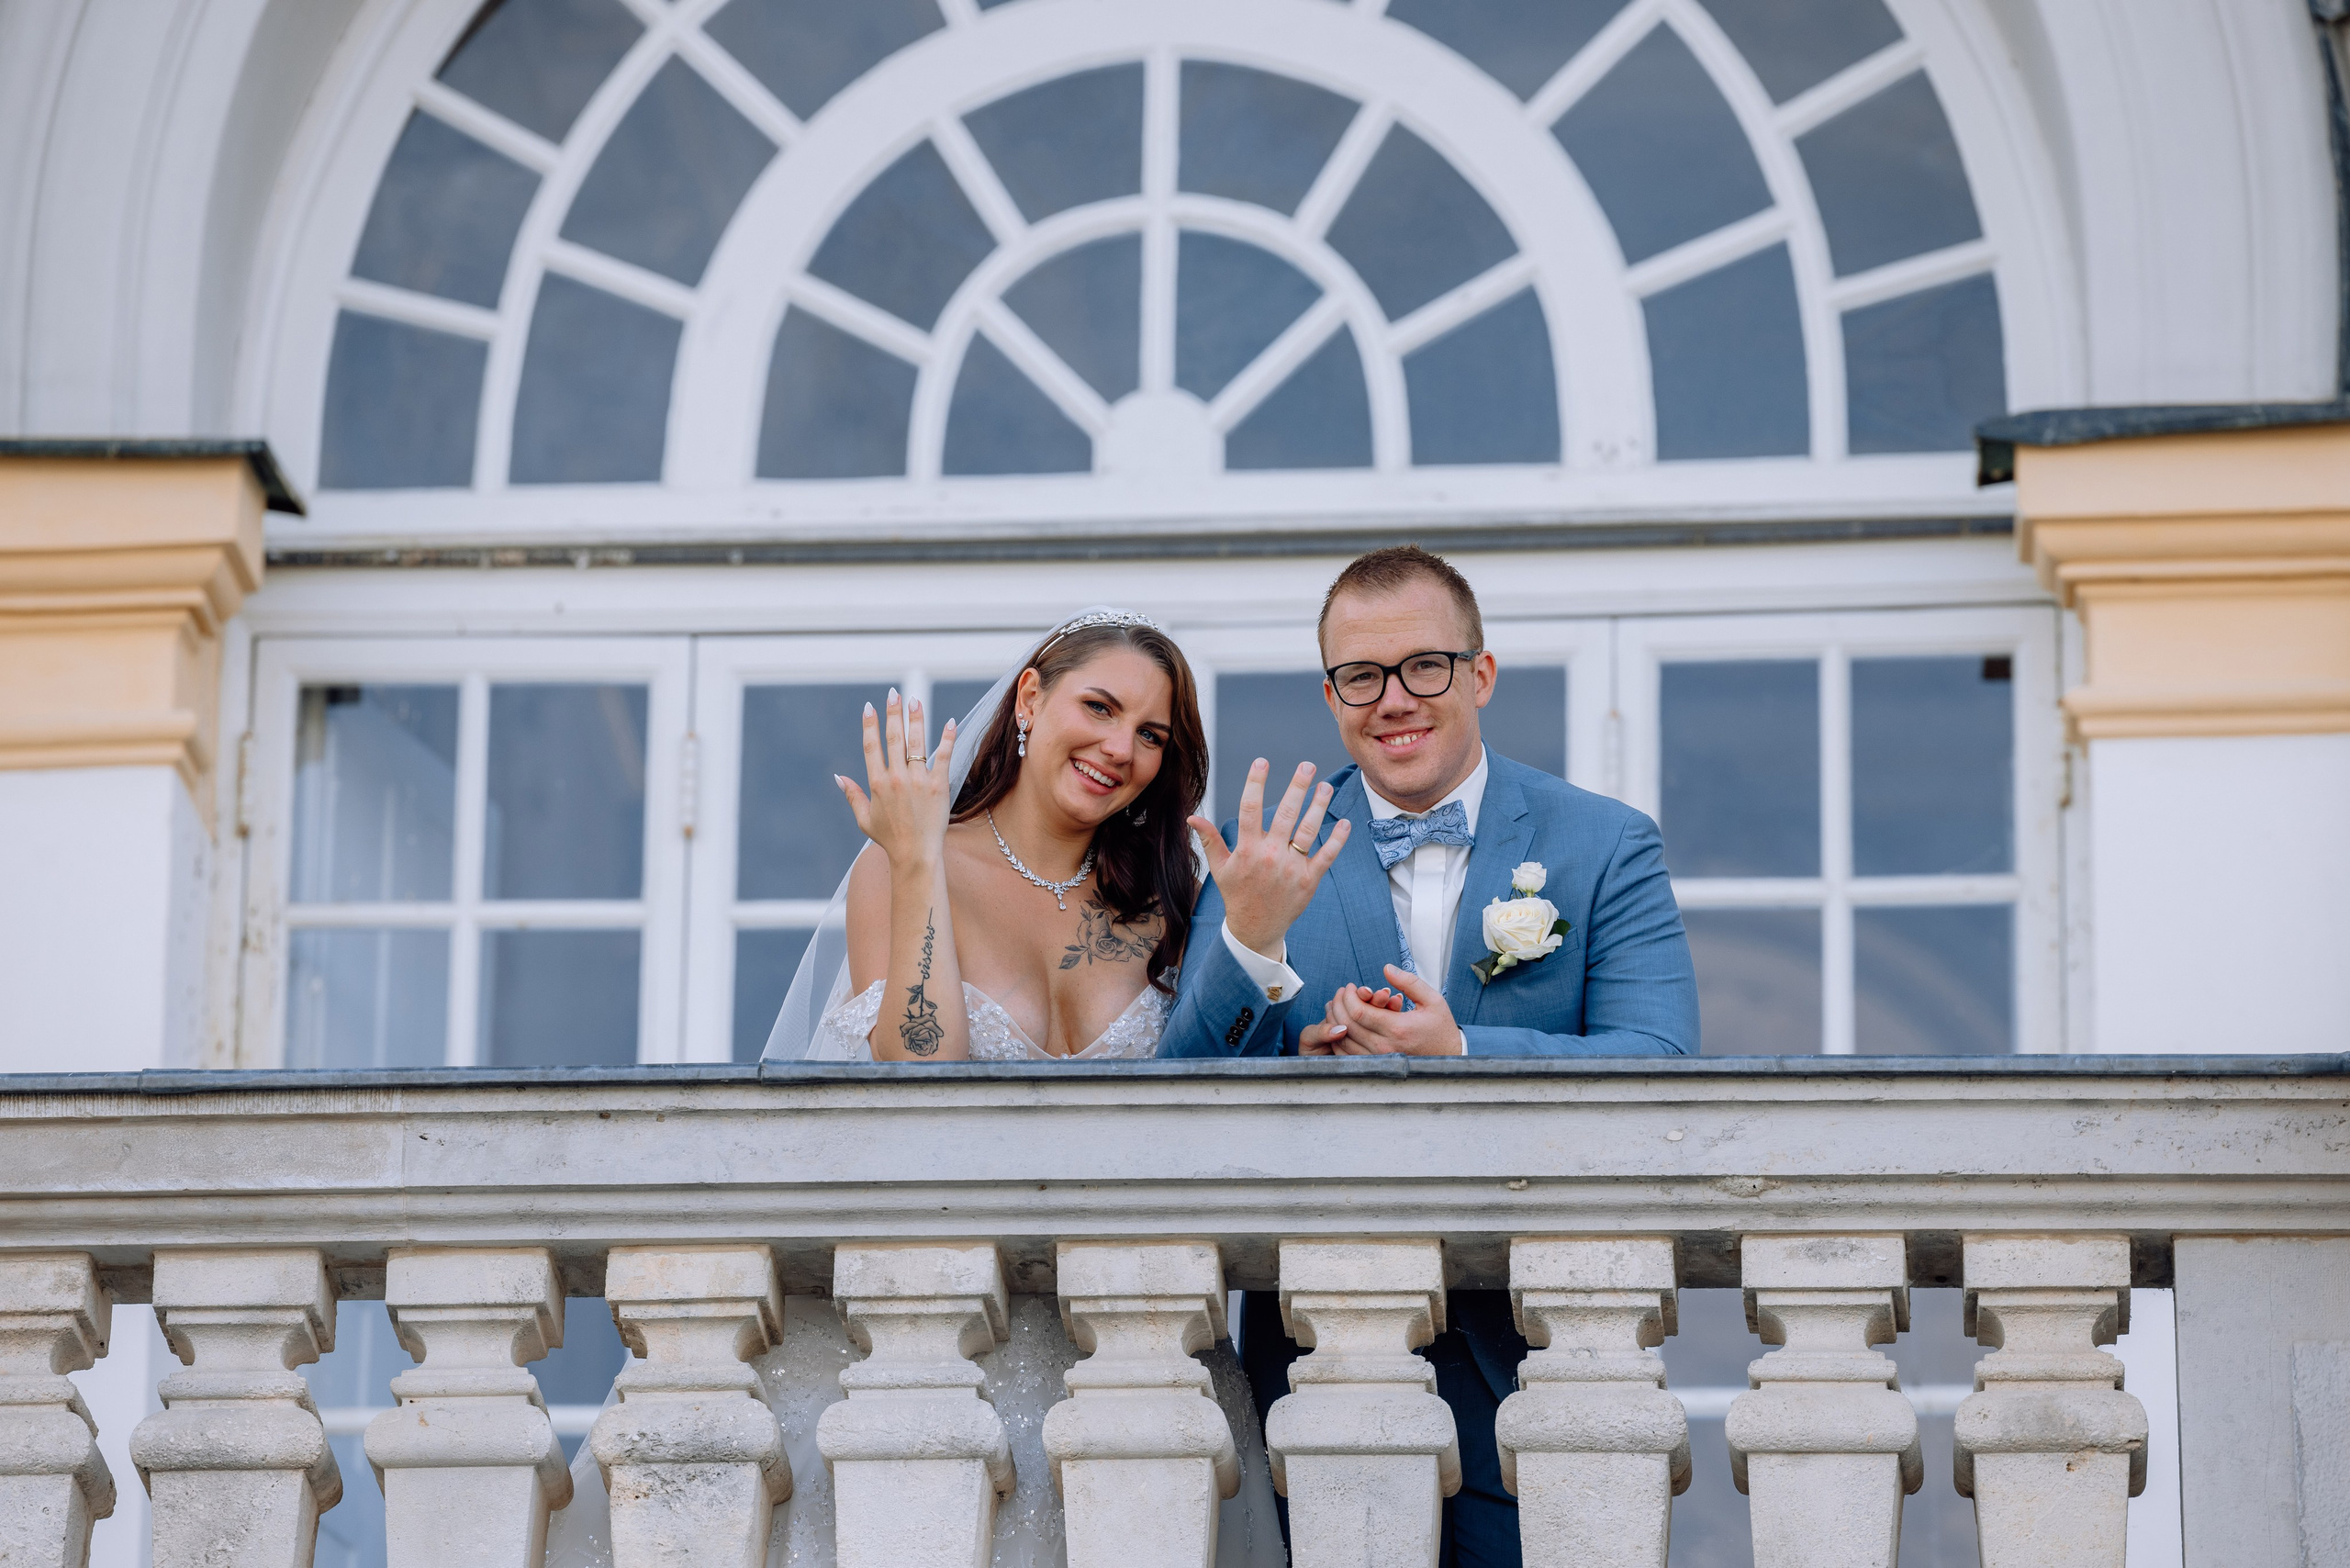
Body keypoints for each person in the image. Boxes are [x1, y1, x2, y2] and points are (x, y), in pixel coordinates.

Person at [1160, 545, 1700, 1566]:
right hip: (1313, 1358)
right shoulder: (1260, 852)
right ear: (1330, 696)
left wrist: (1458, 1046)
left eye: (1425, 666)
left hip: (1544, 1358)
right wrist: (1256, 954)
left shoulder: (1605, 843)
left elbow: (1659, 1063)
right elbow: (1177, 1093)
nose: (1392, 700)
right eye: (1359, 676)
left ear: (1480, 673)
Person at [770, 608, 1211, 1062]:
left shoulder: (1176, 900)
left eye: (1150, 736)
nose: (1121, 749)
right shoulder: (898, 867)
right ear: (1030, 699)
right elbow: (918, 1075)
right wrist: (919, 862)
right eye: (1099, 708)